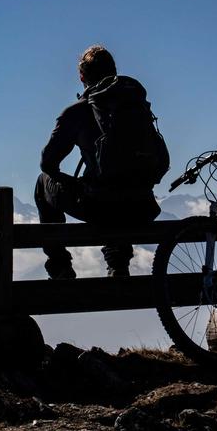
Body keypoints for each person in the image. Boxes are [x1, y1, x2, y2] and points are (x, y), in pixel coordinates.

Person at [35, 45, 162, 279]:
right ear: (114, 71)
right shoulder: (136, 107)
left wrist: (77, 181)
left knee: (43, 183)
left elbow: (47, 164)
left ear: (82, 76)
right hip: (143, 207)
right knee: (117, 194)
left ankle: (60, 265)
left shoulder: (77, 112)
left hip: (101, 208)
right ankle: (118, 265)